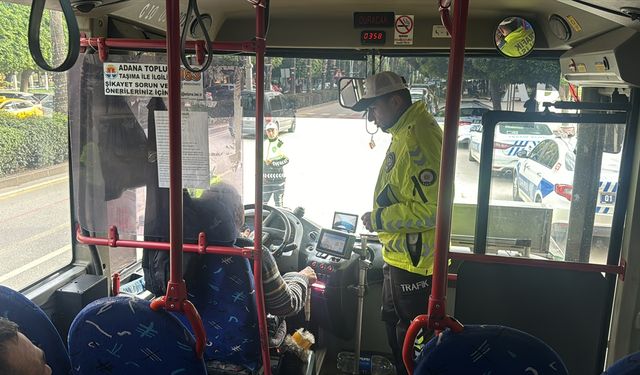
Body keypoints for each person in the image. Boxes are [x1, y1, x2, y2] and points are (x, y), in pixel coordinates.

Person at [351, 71, 442, 375]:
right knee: (394, 331)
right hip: (399, 254)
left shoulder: (419, 137)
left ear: (395, 101)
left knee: (412, 344)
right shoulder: (404, 132)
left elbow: (432, 209)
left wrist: (379, 218)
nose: (372, 118)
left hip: (415, 262)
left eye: (374, 108)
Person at [263, 122, 289, 208]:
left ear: (277, 131)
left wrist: (273, 163)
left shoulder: (280, 143)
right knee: (263, 203)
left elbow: (286, 160)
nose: (270, 133)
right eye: (268, 131)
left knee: (278, 204)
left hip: (278, 180)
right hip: (266, 180)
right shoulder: (264, 143)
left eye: (272, 130)